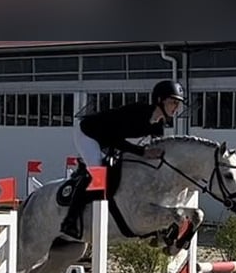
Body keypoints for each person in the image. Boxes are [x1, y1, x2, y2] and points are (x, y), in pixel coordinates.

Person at [60, 79, 186, 239]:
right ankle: (70, 220)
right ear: (160, 100)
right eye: (173, 102)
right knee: (98, 172)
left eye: (178, 104)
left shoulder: (159, 124)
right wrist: (142, 152)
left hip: (110, 139)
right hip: (88, 133)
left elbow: (154, 150)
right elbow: (115, 139)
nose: (176, 108)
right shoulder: (138, 114)